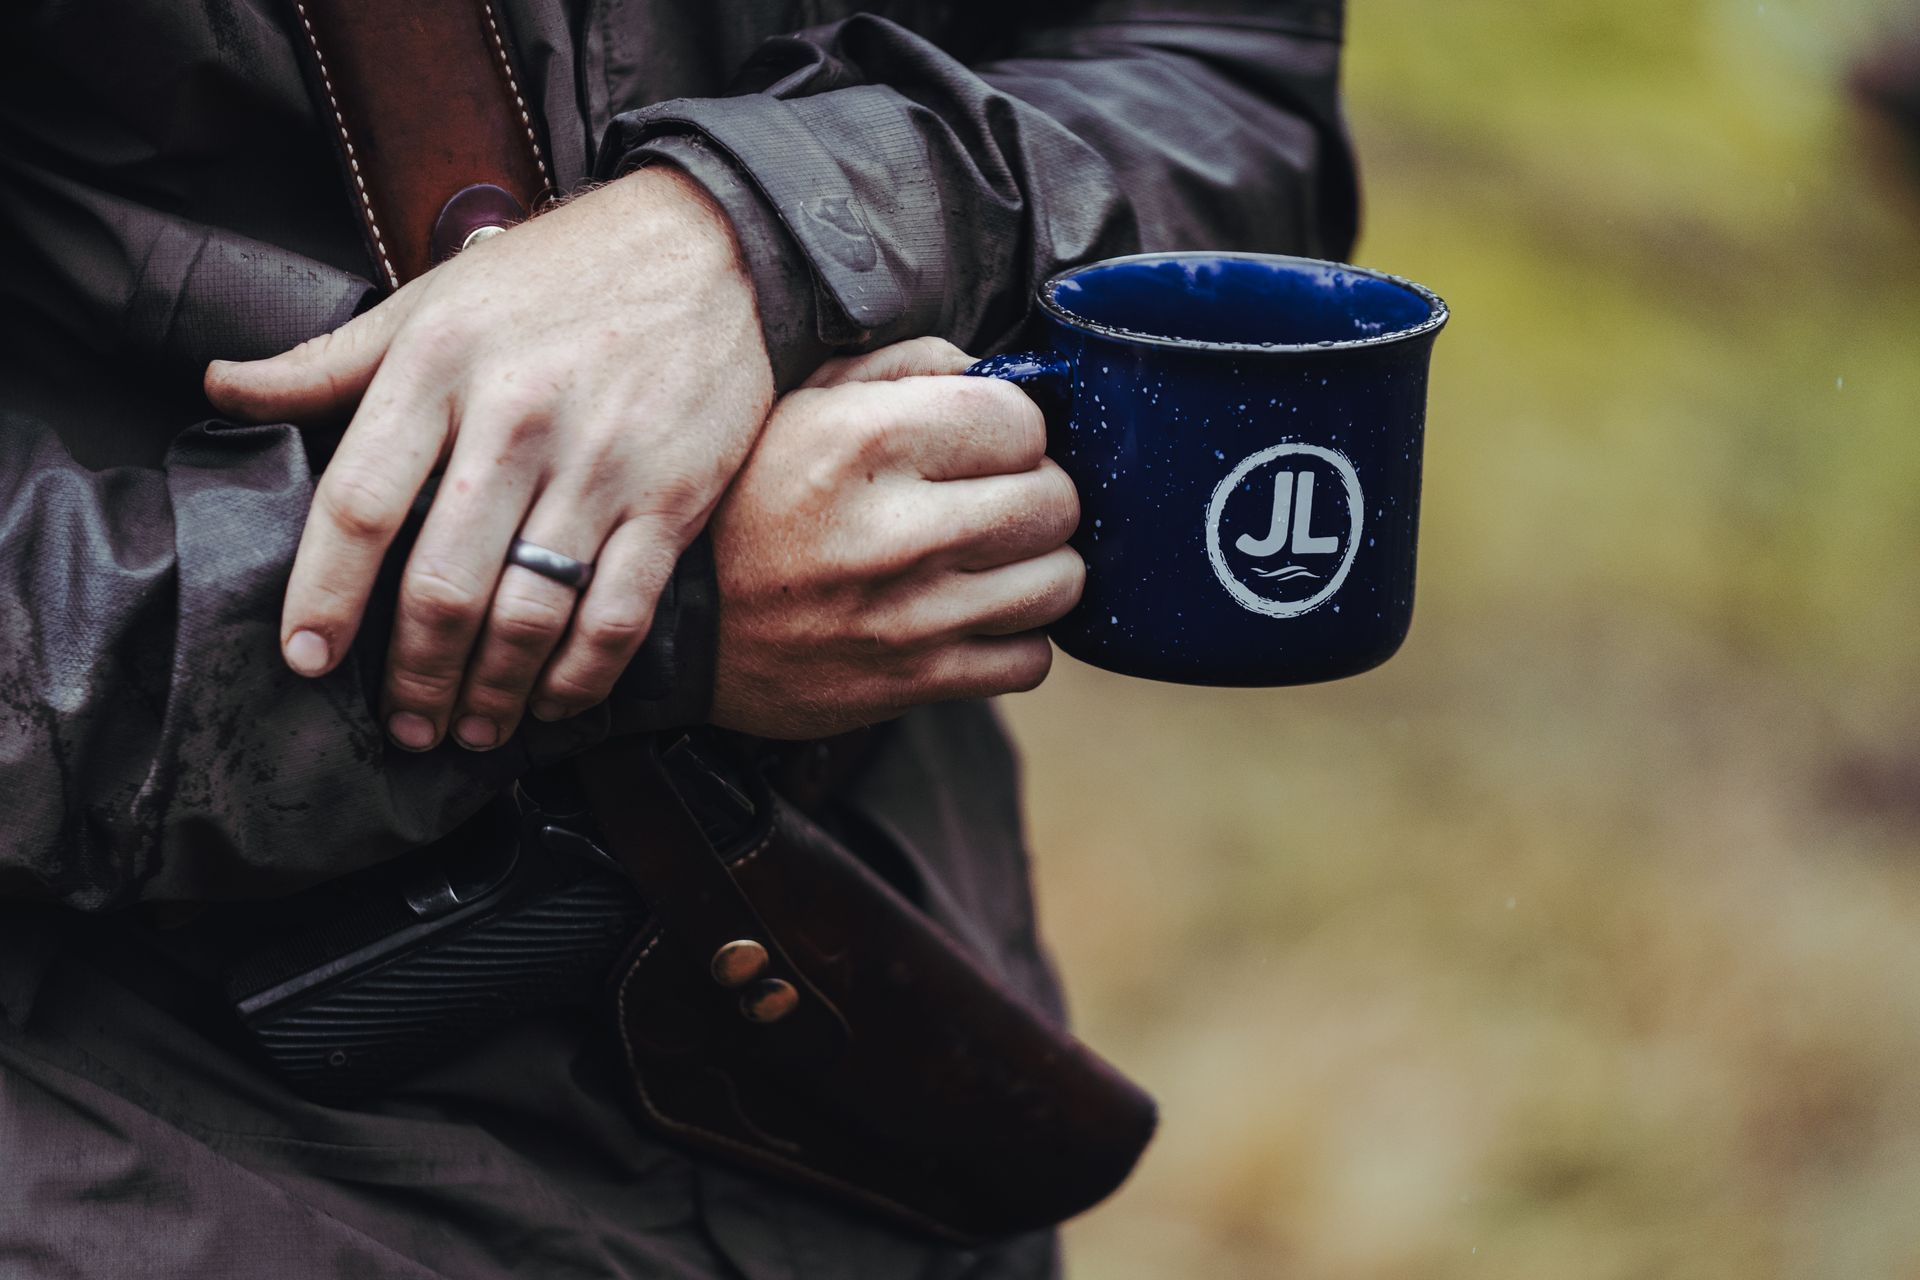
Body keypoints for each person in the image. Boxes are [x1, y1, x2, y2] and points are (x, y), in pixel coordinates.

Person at [0, 1, 1357, 1275]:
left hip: (869, 1040)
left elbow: (1213, 63)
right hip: (150, 1147)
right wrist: (664, 597)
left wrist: (755, 226)